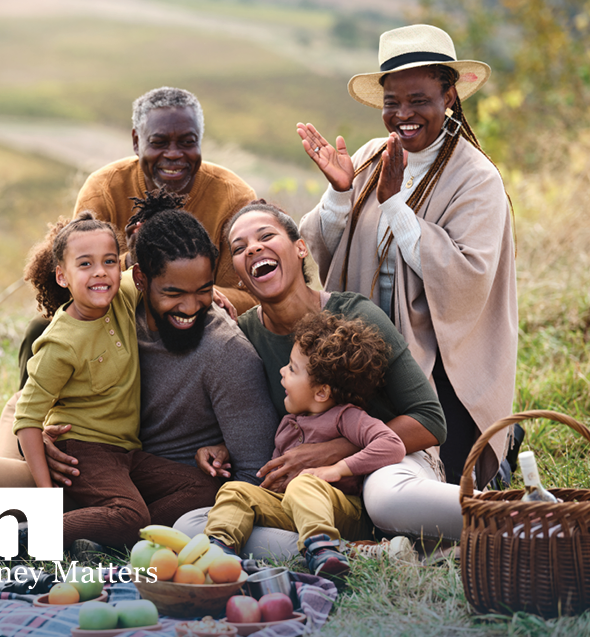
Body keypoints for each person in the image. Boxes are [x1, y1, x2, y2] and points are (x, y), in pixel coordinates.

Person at [0, 192, 277, 558]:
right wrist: (43, 443)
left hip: (136, 468)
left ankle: (43, 530)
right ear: (141, 280)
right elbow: (31, 408)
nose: (190, 306)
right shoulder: (103, 314)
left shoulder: (222, 349)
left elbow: (254, 475)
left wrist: (220, 449)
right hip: (84, 455)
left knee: (182, 498)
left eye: (202, 289)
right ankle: (41, 526)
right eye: (174, 292)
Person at [297, 24, 517, 488]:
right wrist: (340, 195)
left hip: (439, 367)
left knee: (440, 480)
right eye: (392, 102)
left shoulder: (476, 178)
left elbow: (466, 281)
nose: (404, 115)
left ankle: (501, 442)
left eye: (419, 100)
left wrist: (394, 203)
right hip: (366, 354)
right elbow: (326, 249)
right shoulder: (372, 155)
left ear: (450, 96)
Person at [176, 201, 460, 557]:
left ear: (300, 247)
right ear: (236, 274)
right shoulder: (240, 338)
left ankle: (517, 518)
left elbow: (430, 420)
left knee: (384, 498)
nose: (253, 248)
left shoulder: (354, 314)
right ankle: (360, 553)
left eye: (266, 236)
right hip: (309, 493)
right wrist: (221, 448)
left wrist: (333, 452)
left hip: (390, 459)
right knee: (191, 527)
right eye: (239, 248)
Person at [17, 86, 257, 388]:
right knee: (41, 329)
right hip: (117, 321)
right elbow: (77, 279)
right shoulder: (105, 189)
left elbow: (251, 296)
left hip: (199, 325)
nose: (173, 155)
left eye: (187, 142)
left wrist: (200, 295)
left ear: (200, 142)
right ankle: (32, 423)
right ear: (136, 141)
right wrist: (129, 259)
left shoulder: (232, 197)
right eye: (158, 143)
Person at [15, 211, 207, 551]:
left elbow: (166, 278)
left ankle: (103, 531)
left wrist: (208, 293)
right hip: (82, 450)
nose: (100, 272)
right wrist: (46, 497)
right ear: (63, 276)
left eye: (108, 261)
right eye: (85, 264)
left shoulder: (122, 294)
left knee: (205, 490)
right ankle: (31, 536)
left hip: (126, 452)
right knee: (130, 516)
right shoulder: (59, 342)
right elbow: (27, 419)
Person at [204, 311, 405, 582]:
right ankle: (217, 555)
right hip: (293, 509)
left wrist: (338, 469)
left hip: (343, 512)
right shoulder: (288, 423)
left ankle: (324, 552)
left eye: (292, 368)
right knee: (236, 491)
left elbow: (392, 445)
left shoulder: (346, 416)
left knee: (304, 483)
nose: (282, 372)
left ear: (321, 392)